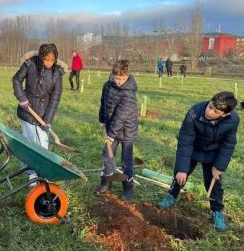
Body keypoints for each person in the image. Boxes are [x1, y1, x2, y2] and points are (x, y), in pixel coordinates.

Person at [157, 91, 239, 232]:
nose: (210, 111)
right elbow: (185, 141)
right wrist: (183, 169)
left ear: (224, 114)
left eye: (216, 111)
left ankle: (217, 211)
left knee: (214, 182)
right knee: (179, 175)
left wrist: (218, 167)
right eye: (210, 106)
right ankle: (171, 196)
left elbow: (228, 144)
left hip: (214, 153)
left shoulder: (232, 120)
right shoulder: (194, 113)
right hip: (193, 148)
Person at [13, 44, 64, 184]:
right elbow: (16, 79)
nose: (49, 63)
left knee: (43, 144)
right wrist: (21, 98)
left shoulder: (57, 74)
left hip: (43, 114)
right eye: (46, 59)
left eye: (52, 60)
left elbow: (55, 98)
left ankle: (42, 172)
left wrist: (48, 120)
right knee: (29, 142)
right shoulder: (30, 65)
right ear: (41, 58)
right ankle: (31, 173)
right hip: (28, 111)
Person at [96, 60, 138, 200]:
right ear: (112, 74)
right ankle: (107, 182)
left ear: (127, 76)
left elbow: (120, 117)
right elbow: (104, 104)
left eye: (122, 78)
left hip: (127, 131)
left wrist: (111, 135)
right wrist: (102, 119)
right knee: (107, 156)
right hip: (111, 128)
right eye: (116, 78)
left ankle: (128, 188)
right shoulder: (107, 86)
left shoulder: (129, 94)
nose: (119, 81)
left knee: (126, 161)